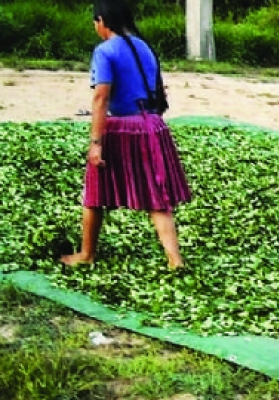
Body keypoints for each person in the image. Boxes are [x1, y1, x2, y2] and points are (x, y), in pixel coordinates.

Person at [61, 0, 191, 269]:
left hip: (122, 127)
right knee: (157, 196)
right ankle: (174, 259)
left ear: (100, 21)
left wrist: (95, 142)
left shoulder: (104, 51)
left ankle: (86, 255)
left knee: (94, 193)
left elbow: (101, 97)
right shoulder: (144, 46)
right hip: (152, 126)